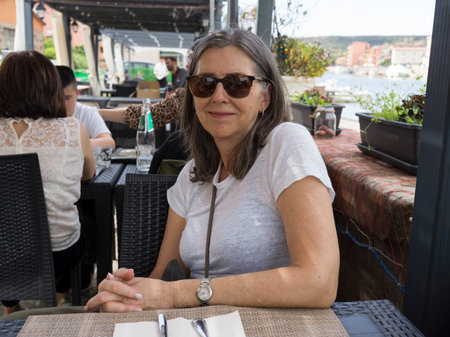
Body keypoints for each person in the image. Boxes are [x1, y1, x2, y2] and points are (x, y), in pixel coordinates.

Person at [85, 28, 339, 312]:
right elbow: (165, 275)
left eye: (238, 83)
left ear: (265, 98)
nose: (218, 96)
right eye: (204, 83)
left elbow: (318, 282)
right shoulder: (190, 177)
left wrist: (177, 294)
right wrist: (128, 296)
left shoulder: (286, 144)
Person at [0, 51, 96, 314]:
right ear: (50, 87)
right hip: (60, 251)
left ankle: (12, 308)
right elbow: (88, 175)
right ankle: (57, 298)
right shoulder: (73, 129)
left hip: (4, 257)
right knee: (75, 231)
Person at [56, 66, 115, 151]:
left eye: (67, 98)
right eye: (56, 98)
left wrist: (71, 144)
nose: (61, 103)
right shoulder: (39, 114)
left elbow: (109, 143)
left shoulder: (86, 113)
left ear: (77, 94)